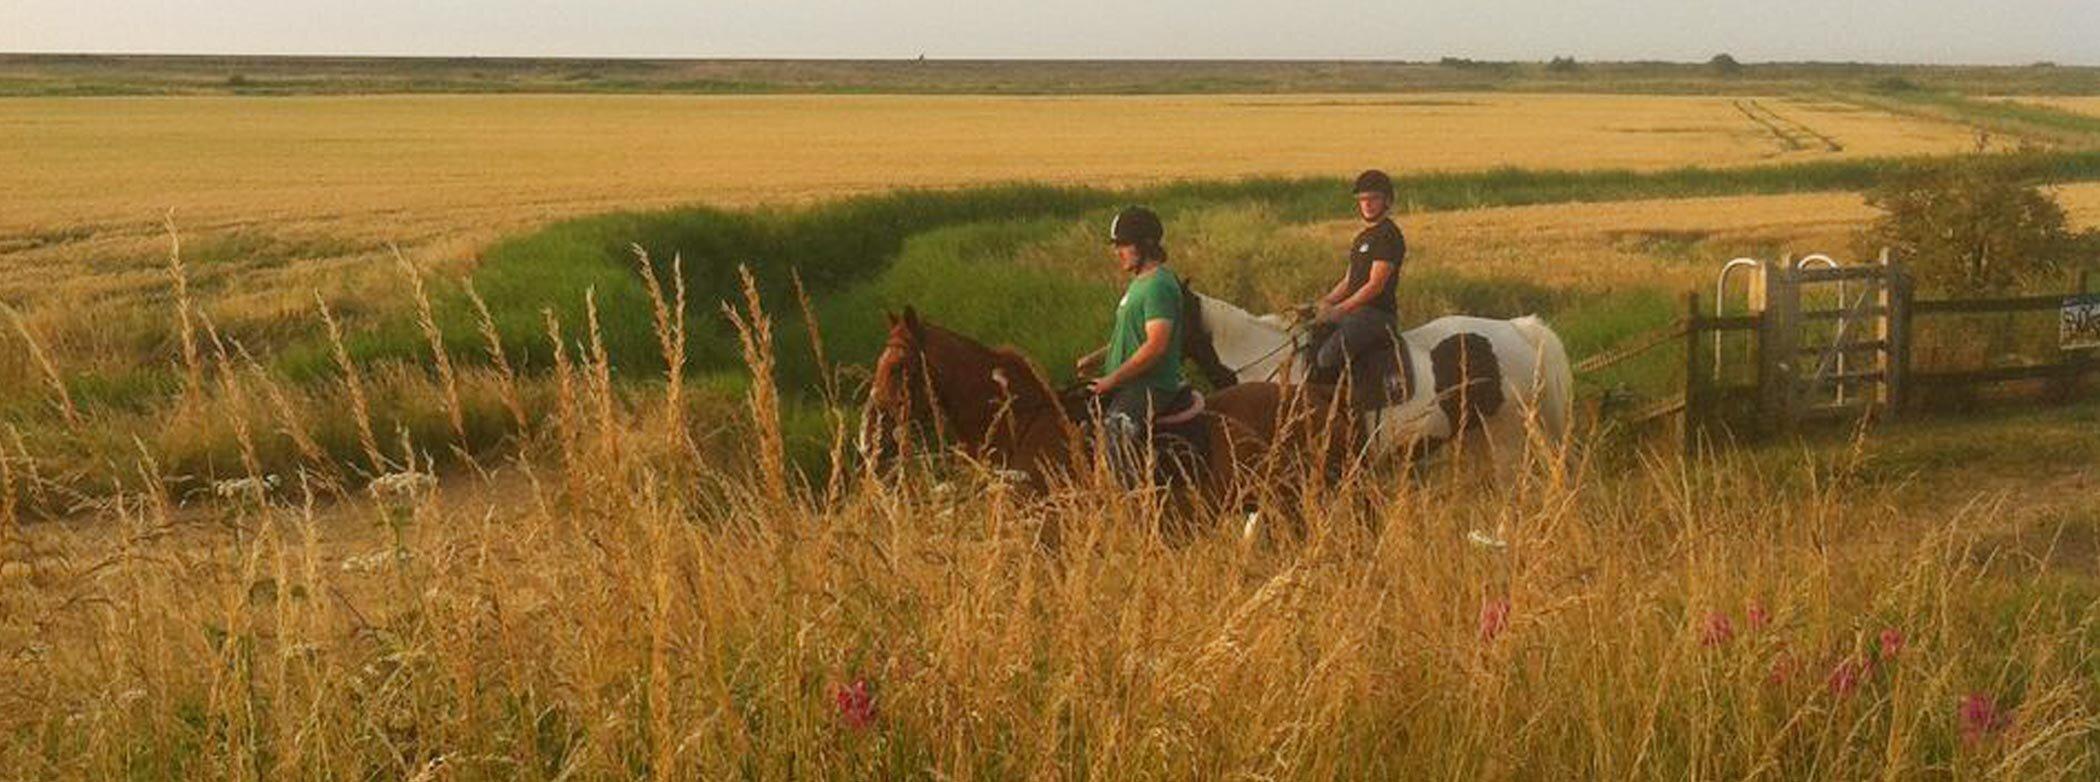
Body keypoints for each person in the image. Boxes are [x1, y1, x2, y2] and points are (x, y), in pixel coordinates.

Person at [1074, 206, 1191, 466]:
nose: (1118, 252)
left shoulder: (1159, 284)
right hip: (1130, 382)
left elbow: (1156, 345)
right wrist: (1095, 359)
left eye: (1124, 244)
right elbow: (1133, 336)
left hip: (1151, 385)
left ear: (1146, 244)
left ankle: (1131, 502)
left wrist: (1111, 379)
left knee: (1115, 431)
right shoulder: (1140, 283)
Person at [1308, 169, 1406, 388]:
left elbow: (1375, 285)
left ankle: (1346, 410)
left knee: (1328, 357)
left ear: (1387, 201)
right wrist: (1322, 303)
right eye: (1362, 200)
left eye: (1373, 199)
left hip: (1376, 315)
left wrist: (1339, 310)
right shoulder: (1362, 237)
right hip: (1356, 312)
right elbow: (1348, 281)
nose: (1367, 204)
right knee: (1310, 341)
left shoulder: (1388, 235)